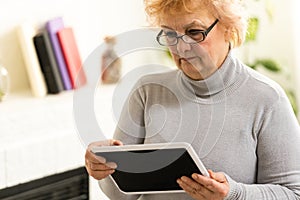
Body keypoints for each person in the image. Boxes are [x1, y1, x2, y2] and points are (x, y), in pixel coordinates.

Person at [85, 0, 300, 199]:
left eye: (195, 32)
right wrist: (102, 168)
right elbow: (120, 195)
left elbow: (293, 193)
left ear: (229, 28)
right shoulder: (147, 91)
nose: (181, 47)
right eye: (170, 34)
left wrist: (234, 193)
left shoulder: (267, 99)